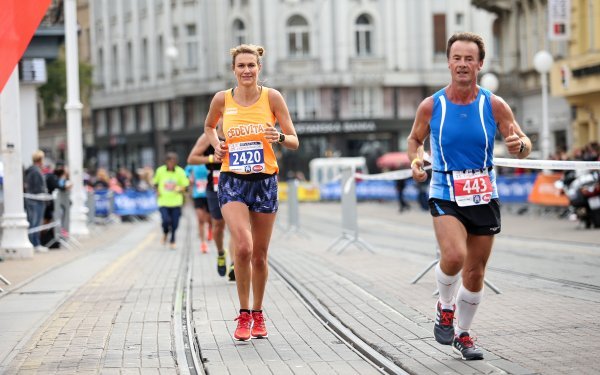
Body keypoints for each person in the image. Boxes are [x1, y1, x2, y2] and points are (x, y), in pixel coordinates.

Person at [407, 32, 531, 361]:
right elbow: (415, 140)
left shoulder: (493, 104)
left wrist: (521, 146)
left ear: (480, 64)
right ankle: (444, 307)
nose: (463, 64)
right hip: (446, 191)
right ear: (448, 62)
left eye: (469, 59)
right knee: (453, 256)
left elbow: (522, 141)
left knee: (475, 274)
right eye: (457, 58)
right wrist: (416, 161)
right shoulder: (432, 105)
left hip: (483, 194)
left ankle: (462, 334)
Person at [204, 44, 299, 341]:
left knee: (259, 255)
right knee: (242, 247)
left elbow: (294, 139)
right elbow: (209, 126)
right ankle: (243, 313)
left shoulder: (273, 97)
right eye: (241, 66)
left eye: (251, 66)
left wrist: (279, 136)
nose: (246, 70)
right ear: (233, 69)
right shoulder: (222, 99)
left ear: (259, 69)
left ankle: (258, 313)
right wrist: (217, 143)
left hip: (264, 181)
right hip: (232, 179)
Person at [187, 127, 234, 279]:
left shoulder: (238, 130)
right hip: (215, 184)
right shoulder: (209, 136)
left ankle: (235, 263)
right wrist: (212, 159)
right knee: (218, 225)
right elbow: (191, 158)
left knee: (236, 226)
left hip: (237, 182)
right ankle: (221, 253)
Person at [153, 152, 189, 250]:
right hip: (163, 201)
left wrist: (179, 188)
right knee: (165, 220)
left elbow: (185, 187)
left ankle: (173, 240)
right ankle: (165, 233)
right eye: (169, 161)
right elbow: (155, 183)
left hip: (176, 201)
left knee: (175, 223)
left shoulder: (180, 172)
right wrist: (157, 191)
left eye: (173, 161)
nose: (171, 163)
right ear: (166, 162)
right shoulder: (160, 171)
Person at [24, 150, 50, 252]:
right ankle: (35, 244)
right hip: (36, 200)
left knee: (34, 223)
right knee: (35, 223)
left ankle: (35, 243)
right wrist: (43, 193)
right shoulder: (35, 171)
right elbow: (36, 187)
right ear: (40, 160)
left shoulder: (32, 170)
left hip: (33, 200)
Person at [185, 162, 211, 254]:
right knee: (200, 219)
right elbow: (186, 172)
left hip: (210, 194)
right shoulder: (193, 163)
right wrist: (189, 178)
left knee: (209, 219)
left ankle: (210, 229)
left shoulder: (209, 160)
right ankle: (203, 243)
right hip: (198, 195)